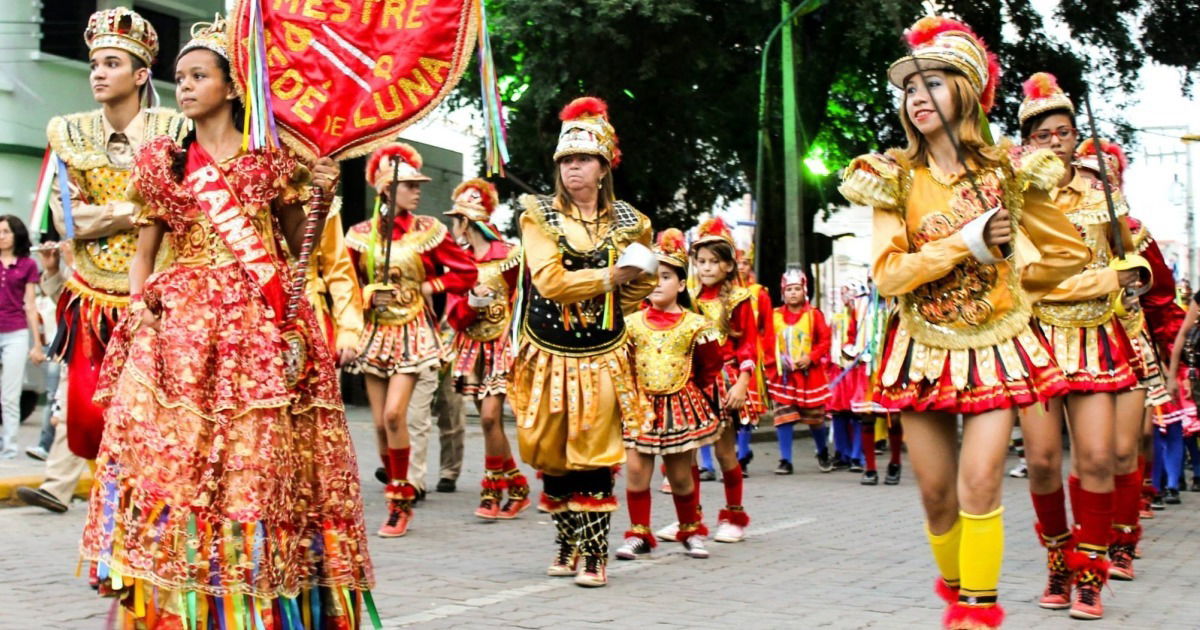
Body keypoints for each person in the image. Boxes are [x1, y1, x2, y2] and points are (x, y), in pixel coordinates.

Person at [79, 18, 375, 626]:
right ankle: (172, 595)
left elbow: (299, 247)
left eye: (198, 76)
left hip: (257, 327)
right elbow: (144, 251)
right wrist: (140, 308)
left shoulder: (272, 159)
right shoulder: (164, 160)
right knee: (176, 460)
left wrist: (318, 198)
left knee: (256, 461)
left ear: (232, 86)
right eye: (180, 78)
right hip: (182, 326)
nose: (184, 88)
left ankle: (255, 595)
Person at [838, 17, 1089, 629]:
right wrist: (967, 244)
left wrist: (1014, 281)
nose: (917, 96)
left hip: (998, 345)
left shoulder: (1010, 170)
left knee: (981, 485)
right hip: (919, 346)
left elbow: (1068, 255)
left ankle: (976, 615)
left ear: (969, 92)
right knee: (936, 497)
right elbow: (890, 275)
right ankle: (957, 590)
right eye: (909, 87)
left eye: (934, 83)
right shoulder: (893, 175)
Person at [1015, 73, 1147, 620]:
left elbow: (1130, 257)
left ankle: (1090, 576)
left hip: (1096, 338)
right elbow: (1028, 278)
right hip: (1036, 338)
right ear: (1027, 142)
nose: (1054, 143)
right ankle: (1057, 560)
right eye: (1042, 135)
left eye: (1063, 133)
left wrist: (1131, 274)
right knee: (1043, 463)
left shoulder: (1102, 192)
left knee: (1096, 457)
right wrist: (1107, 281)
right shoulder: (1014, 197)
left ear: (1075, 137)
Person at [509, 96, 656, 588]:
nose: (574, 168)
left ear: (603, 166)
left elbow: (636, 294)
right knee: (550, 451)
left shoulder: (633, 222)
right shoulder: (537, 216)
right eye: (567, 160)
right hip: (546, 351)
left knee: (594, 450)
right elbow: (549, 282)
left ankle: (595, 554)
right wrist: (613, 274)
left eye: (584, 159)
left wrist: (635, 278)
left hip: (604, 353)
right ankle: (566, 541)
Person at [45, 7, 188, 462]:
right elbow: (68, 218)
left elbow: (183, 208)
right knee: (88, 423)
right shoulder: (71, 133)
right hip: (91, 297)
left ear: (141, 74)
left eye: (112, 64)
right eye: (94, 65)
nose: (99, 75)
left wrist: (103, 213)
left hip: (159, 297)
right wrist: (140, 210)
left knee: (158, 423)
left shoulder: (177, 132)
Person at [346, 141, 477, 537]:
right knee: (381, 427)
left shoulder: (430, 231)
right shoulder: (359, 235)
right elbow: (348, 285)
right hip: (375, 332)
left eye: (419, 185)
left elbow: (467, 272)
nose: (417, 190)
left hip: (412, 332)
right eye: (409, 184)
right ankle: (396, 484)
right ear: (385, 188)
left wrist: (430, 286)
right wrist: (369, 295)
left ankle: (400, 501)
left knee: (393, 414)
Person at [615, 228, 721, 561]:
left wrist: (697, 397)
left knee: (680, 477)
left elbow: (709, 367)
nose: (657, 283)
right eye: (651, 277)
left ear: (680, 283)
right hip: (639, 407)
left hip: (680, 404)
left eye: (665, 276)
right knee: (636, 472)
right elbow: (623, 364)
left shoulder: (696, 325)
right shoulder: (630, 323)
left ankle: (690, 529)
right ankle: (639, 533)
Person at [661, 217, 763, 545]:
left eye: (713, 262)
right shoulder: (687, 296)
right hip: (690, 383)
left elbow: (748, 345)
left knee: (724, 452)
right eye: (700, 261)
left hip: (725, 382)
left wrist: (743, 382)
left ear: (729, 265)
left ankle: (734, 515)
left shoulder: (739, 299)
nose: (706, 268)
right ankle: (689, 520)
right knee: (687, 452)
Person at [444, 178, 530, 519]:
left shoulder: (510, 256)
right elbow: (454, 315)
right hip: (471, 348)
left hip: (501, 346)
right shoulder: (458, 262)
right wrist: (473, 304)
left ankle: (492, 489)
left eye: (456, 220)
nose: (454, 227)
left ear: (466, 222)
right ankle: (518, 485)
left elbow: (524, 302)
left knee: (491, 417)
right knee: (487, 420)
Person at [767, 269, 831, 475]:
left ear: (804, 291)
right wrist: (777, 361)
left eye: (797, 289)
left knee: (815, 419)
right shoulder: (774, 316)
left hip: (809, 376)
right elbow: (766, 341)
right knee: (783, 416)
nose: (793, 293)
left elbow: (825, 341)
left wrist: (810, 358)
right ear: (782, 293)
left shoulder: (814, 315)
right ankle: (785, 460)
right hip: (783, 376)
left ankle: (822, 451)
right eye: (789, 289)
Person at [0, 215, 45, 458]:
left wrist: (37, 345)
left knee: (10, 394)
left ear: (17, 234)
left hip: (15, 332)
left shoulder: (27, 265)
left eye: (6, 231)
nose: (2, 236)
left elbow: (30, 305)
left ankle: (8, 448)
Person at [734, 246, 774, 471]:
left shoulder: (759, 293)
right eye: (738, 263)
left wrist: (767, 358)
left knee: (747, 405)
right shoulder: (722, 292)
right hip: (726, 354)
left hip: (751, 354)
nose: (741, 267)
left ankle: (742, 456)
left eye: (745, 264)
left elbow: (767, 328)